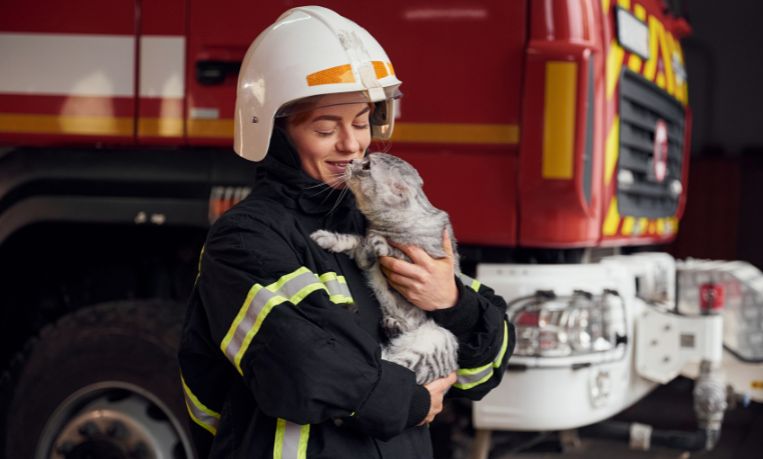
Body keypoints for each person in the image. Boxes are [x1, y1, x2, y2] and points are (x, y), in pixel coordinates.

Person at [178, 6, 514, 458]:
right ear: (275, 134)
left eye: (360, 123)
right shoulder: (245, 240)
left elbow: (481, 372)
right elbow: (301, 369)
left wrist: (452, 302)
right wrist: (413, 399)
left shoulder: (382, 228)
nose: (351, 144)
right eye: (324, 127)